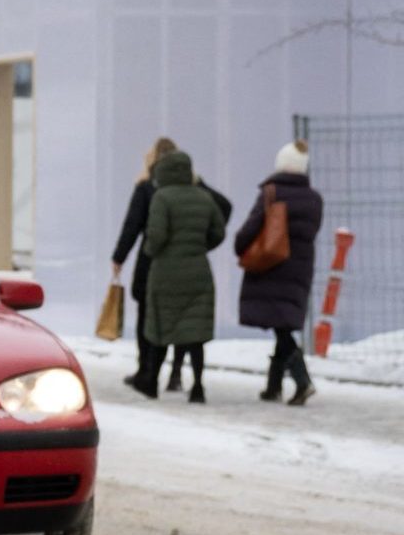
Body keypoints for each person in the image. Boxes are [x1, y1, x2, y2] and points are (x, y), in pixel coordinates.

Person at [111, 138, 231, 396]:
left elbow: (141, 230)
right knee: (191, 325)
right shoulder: (199, 191)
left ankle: (149, 375)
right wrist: (199, 245)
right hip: (196, 267)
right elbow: (222, 218)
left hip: (158, 267)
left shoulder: (153, 191)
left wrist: (121, 256)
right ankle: (185, 378)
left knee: (155, 321)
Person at [236, 139, 324, 406]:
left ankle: (302, 380)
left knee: (282, 330)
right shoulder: (314, 199)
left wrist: (240, 245)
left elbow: (251, 228)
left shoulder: (271, 192)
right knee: (282, 324)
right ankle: (273, 387)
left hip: (271, 266)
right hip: (300, 268)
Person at [139, 148, 227, 401]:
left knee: (160, 329)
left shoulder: (161, 198)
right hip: (198, 272)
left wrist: (150, 251)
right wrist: (199, 248)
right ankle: (198, 387)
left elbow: (156, 236)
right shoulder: (203, 197)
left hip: (165, 273)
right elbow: (218, 232)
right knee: (195, 333)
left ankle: (152, 383)